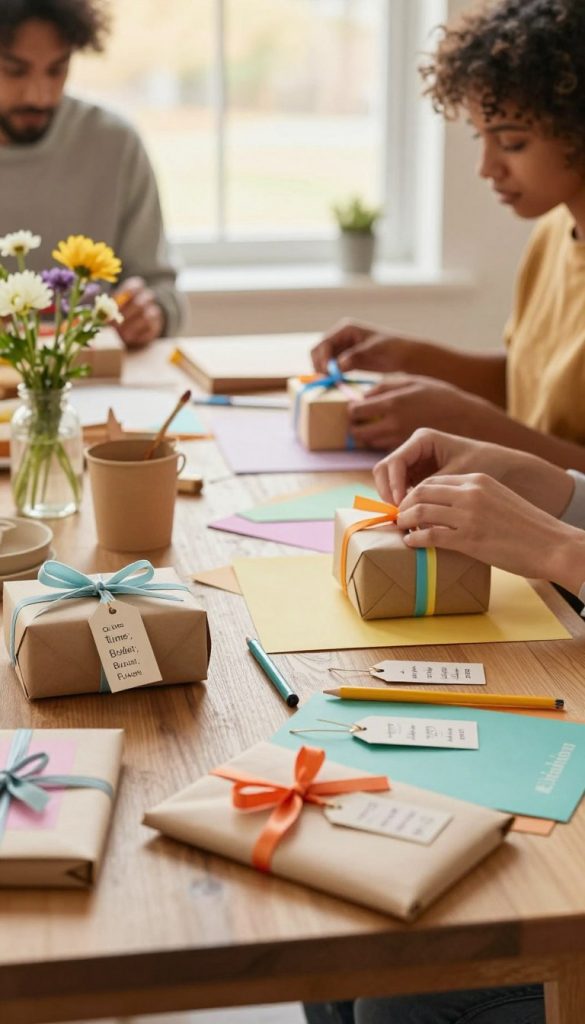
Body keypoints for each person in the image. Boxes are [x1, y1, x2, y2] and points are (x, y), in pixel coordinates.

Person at [311, 0, 585, 472]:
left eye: (513, 142)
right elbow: (534, 387)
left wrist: (467, 421)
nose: (487, 168)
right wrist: (412, 357)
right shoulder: (553, 233)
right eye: (482, 138)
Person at [0, 0, 184, 346]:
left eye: (57, 69)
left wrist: (152, 312)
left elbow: (164, 291)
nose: (39, 95)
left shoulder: (115, 143)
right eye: (15, 70)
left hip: (99, 384)